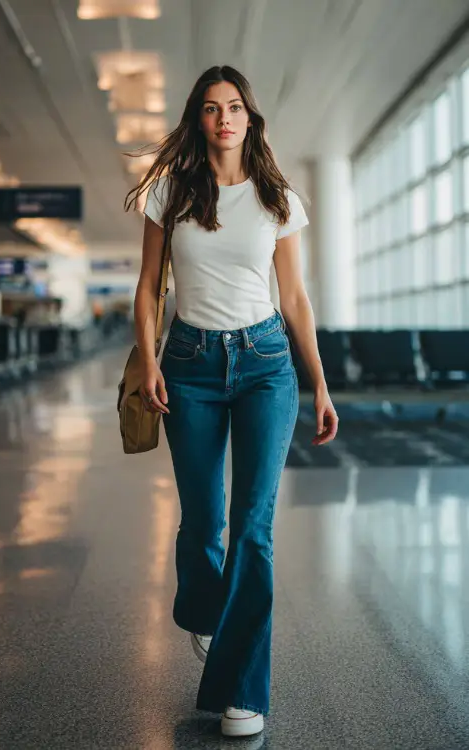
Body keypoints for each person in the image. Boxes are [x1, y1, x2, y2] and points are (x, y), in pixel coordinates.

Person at [126, 65, 339, 739]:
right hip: (187, 365)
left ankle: (243, 689)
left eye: (235, 107)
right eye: (212, 108)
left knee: (254, 528)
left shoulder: (278, 197)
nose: (225, 118)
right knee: (203, 524)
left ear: (250, 119)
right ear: (199, 120)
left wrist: (320, 382)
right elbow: (147, 285)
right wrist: (148, 360)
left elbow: (296, 299)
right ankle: (208, 613)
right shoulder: (170, 193)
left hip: (265, 366)